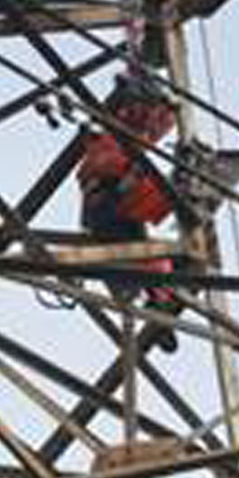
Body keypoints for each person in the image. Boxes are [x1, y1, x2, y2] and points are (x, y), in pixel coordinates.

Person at [78, 74, 182, 351]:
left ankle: (158, 303)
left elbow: (153, 129)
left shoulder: (120, 142)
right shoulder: (112, 145)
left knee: (154, 258)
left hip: (109, 212)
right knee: (154, 257)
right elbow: (109, 166)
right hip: (107, 208)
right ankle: (159, 303)